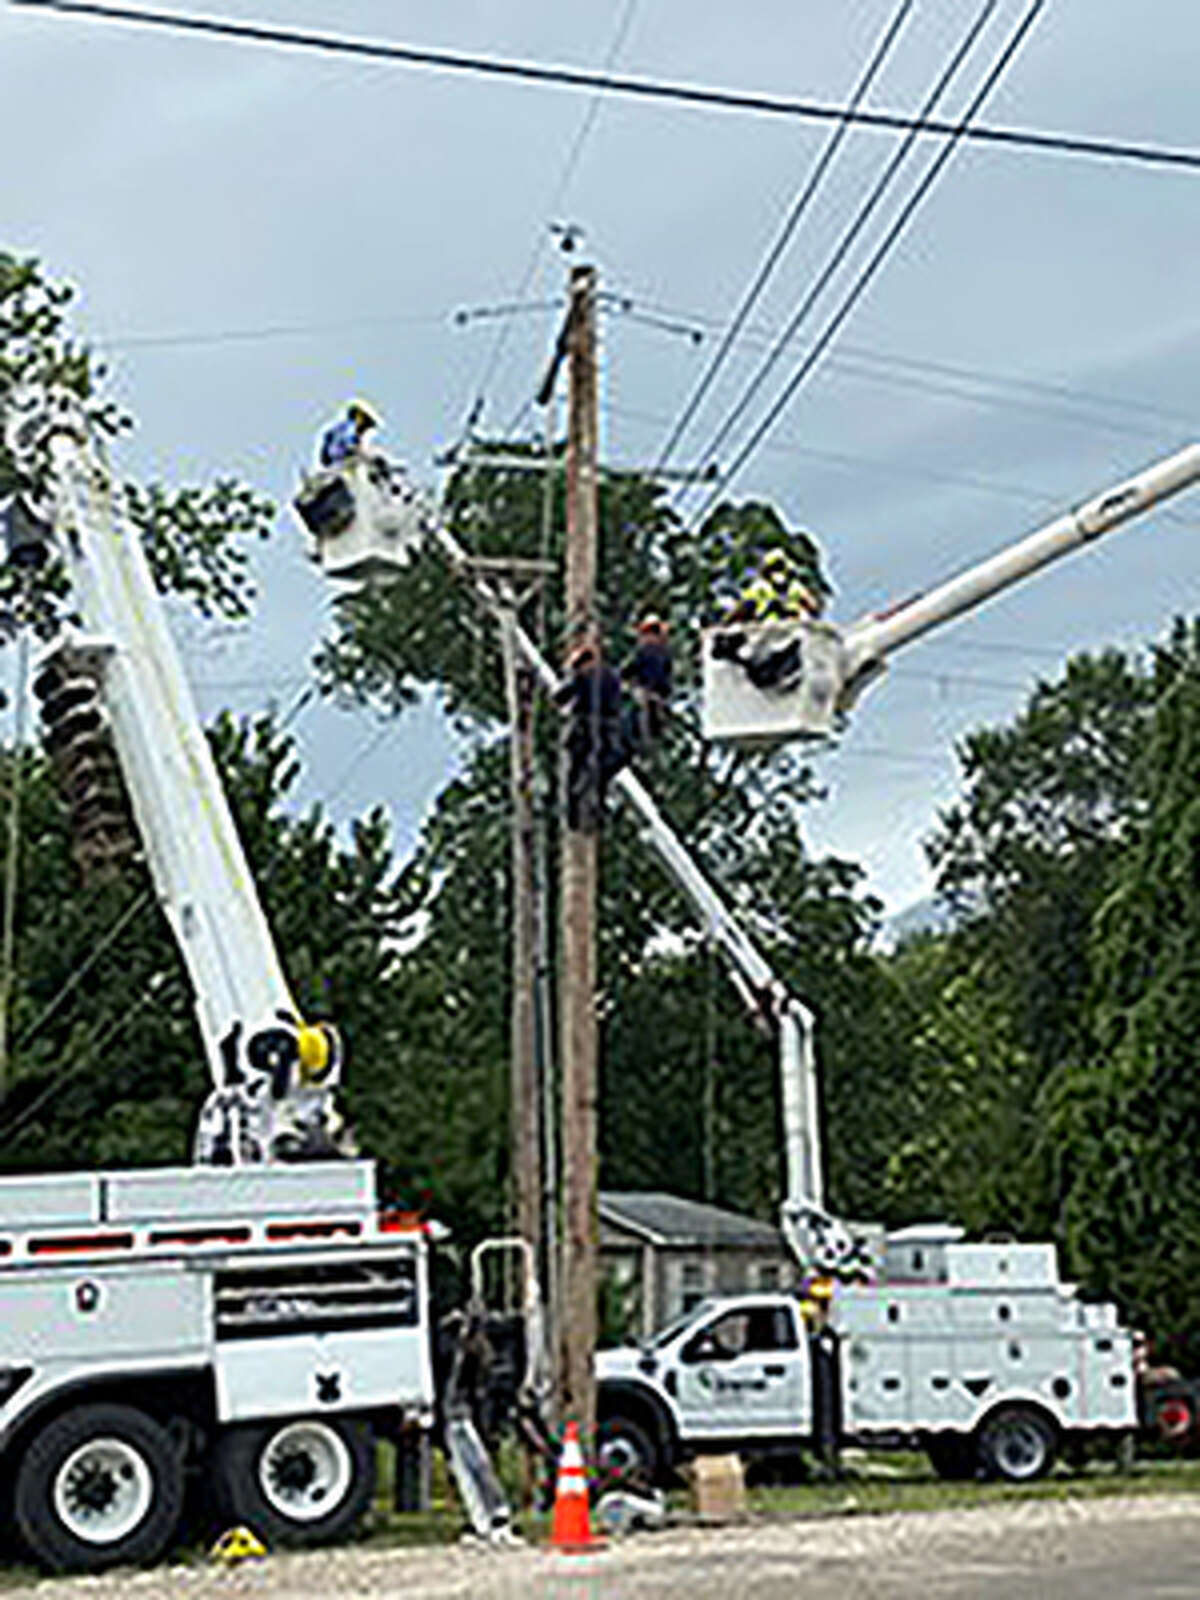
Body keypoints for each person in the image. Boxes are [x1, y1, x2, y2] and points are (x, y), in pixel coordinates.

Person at [713, 547, 822, 690]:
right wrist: (727, 623)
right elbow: (744, 607)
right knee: (739, 642)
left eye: (780, 567)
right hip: (764, 628)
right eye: (775, 568)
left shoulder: (795, 588)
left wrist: (799, 609)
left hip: (790, 629)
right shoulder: (760, 588)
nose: (779, 574)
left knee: (806, 645)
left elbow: (812, 606)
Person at [554, 642, 626, 831]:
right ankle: (599, 810)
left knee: (575, 771)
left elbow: (560, 697)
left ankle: (573, 813)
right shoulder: (612, 676)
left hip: (585, 730)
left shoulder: (582, 677)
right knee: (602, 773)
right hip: (608, 731)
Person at [624, 615, 672, 753]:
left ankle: (640, 747)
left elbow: (628, 669)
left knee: (638, 723)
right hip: (657, 696)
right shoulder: (664, 652)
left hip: (646, 693)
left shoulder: (645, 650)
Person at [318, 399, 381, 469]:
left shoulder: (350, 431)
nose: (365, 430)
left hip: (337, 459)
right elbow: (343, 446)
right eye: (366, 425)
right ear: (358, 418)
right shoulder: (349, 427)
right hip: (335, 460)